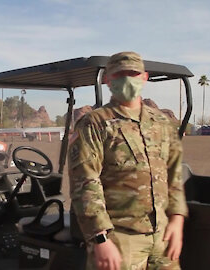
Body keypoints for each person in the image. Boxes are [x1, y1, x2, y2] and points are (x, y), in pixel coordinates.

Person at [68, 52, 188, 270]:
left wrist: (177, 220)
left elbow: (174, 174)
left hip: (162, 235)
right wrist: (100, 239)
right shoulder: (94, 124)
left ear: (144, 77)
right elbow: (85, 181)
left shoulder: (161, 123)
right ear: (108, 80)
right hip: (119, 238)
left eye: (132, 73)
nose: (127, 79)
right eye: (119, 74)